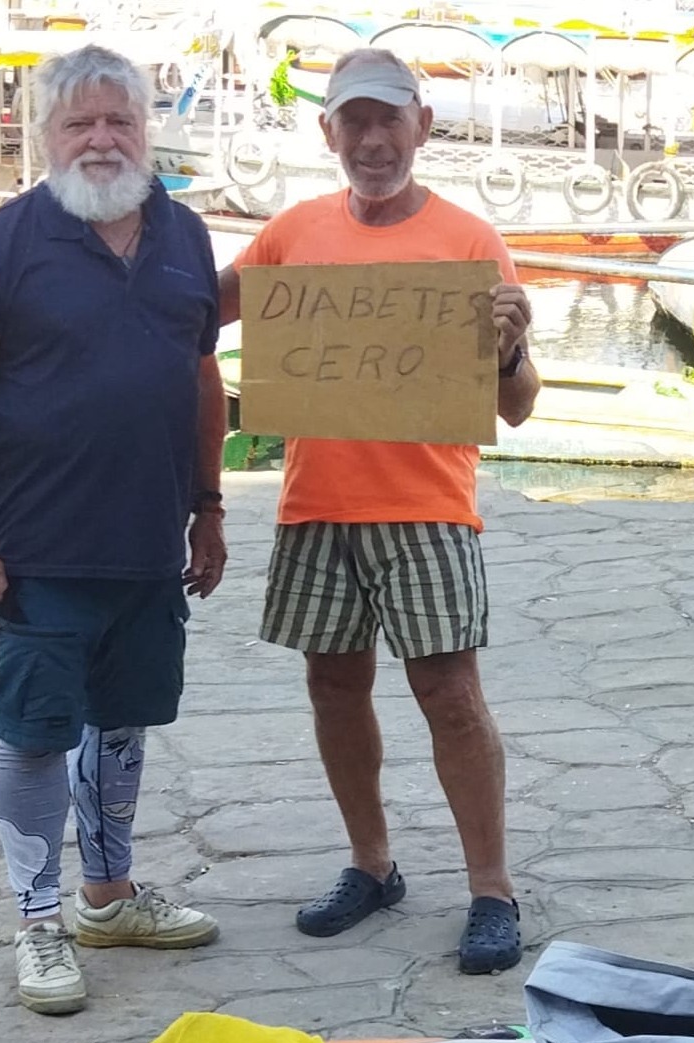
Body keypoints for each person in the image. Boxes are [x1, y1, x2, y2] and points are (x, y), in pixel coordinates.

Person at [0, 45, 227, 1015]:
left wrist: (209, 505)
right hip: (32, 549)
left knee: (124, 718)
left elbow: (203, 377)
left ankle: (109, 895)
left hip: (145, 543)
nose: (101, 138)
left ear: (146, 129)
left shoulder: (186, 238)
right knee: (37, 729)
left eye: (118, 120)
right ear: (44, 135)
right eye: (79, 122)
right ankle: (40, 916)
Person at [219, 48, 540, 975]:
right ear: (327, 133)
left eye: (387, 119)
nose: (371, 139)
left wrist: (511, 350)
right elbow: (200, 310)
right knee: (334, 686)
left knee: (450, 695)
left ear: (422, 127)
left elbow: (517, 405)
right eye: (352, 121)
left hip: (430, 507)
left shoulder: (470, 241)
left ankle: (492, 887)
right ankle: (373, 863)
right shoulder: (289, 233)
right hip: (315, 506)